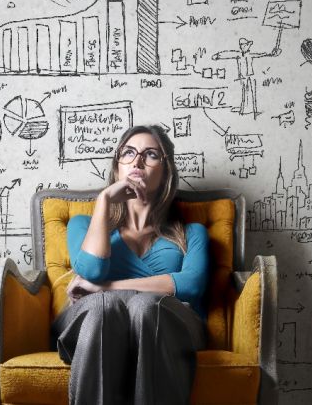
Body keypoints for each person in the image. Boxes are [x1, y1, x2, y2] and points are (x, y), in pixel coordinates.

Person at [51, 124, 209, 405]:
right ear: (116, 168)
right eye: (128, 153)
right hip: (95, 323)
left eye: (150, 154)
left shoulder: (191, 232)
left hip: (167, 326)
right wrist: (104, 200)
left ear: (166, 170)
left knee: (145, 306)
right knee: (104, 306)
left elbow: (191, 285)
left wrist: (107, 287)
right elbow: (92, 270)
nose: (137, 161)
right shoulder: (83, 225)